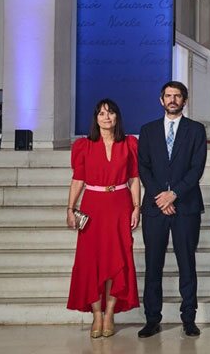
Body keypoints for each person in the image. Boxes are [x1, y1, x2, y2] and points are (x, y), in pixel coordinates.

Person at [137, 81, 207, 338]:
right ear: (161, 100)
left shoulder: (196, 130)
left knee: (187, 264)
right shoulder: (147, 130)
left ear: (184, 101)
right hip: (155, 209)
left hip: (185, 206)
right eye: (168, 96)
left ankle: (189, 318)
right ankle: (152, 319)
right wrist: (160, 197)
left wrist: (174, 194)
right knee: (153, 265)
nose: (173, 99)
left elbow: (196, 168)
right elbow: (143, 167)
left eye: (178, 96)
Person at [66, 99, 141, 338]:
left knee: (117, 260)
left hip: (120, 204)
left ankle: (109, 314)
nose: (106, 117)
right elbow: (78, 179)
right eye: (101, 113)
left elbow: (134, 178)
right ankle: (96, 314)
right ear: (95, 118)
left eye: (110, 113)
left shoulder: (129, 144)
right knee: (91, 263)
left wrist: (136, 207)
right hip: (92, 207)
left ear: (117, 117)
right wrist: (70, 207)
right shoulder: (84, 146)